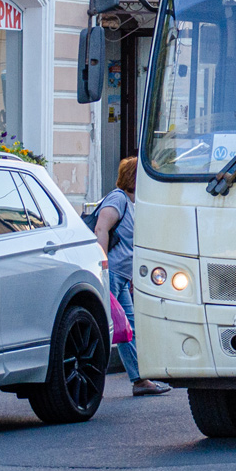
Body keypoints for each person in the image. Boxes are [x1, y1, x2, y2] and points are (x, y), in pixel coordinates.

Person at [94, 157, 171, 396]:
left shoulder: (131, 203)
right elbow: (101, 229)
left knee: (128, 329)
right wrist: (103, 267)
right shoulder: (117, 199)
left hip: (122, 276)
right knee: (104, 328)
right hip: (112, 273)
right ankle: (91, 377)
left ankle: (140, 380)